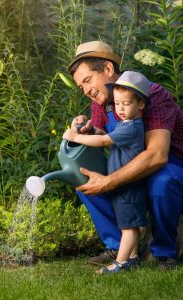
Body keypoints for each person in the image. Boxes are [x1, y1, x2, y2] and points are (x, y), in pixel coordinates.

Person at [67, 41, 183, 270]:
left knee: (162, 182)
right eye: (81, 87)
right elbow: (101, 138)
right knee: (85, 182)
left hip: (169, 164)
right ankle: (119, 246)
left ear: (108, 69)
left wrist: (109, 181)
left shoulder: (152, 95)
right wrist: (85, 128)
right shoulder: (101, 103)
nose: (86, 90)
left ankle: (163, 253)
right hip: (130, 162)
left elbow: (157, 155)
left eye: (88, 80)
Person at [63, 71, 149, 273]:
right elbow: (104, 134)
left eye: (125, 104)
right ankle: (133, 257)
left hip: (127, 184)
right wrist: (89, 130)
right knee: (129, 224)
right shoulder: (125, 123)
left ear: (141, 105)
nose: (119, 108)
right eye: (117, 104)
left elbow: (103, 141)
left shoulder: (132, 127)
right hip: (124, 184)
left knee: (128, 228)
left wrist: (74, 136)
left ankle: (119, 263)